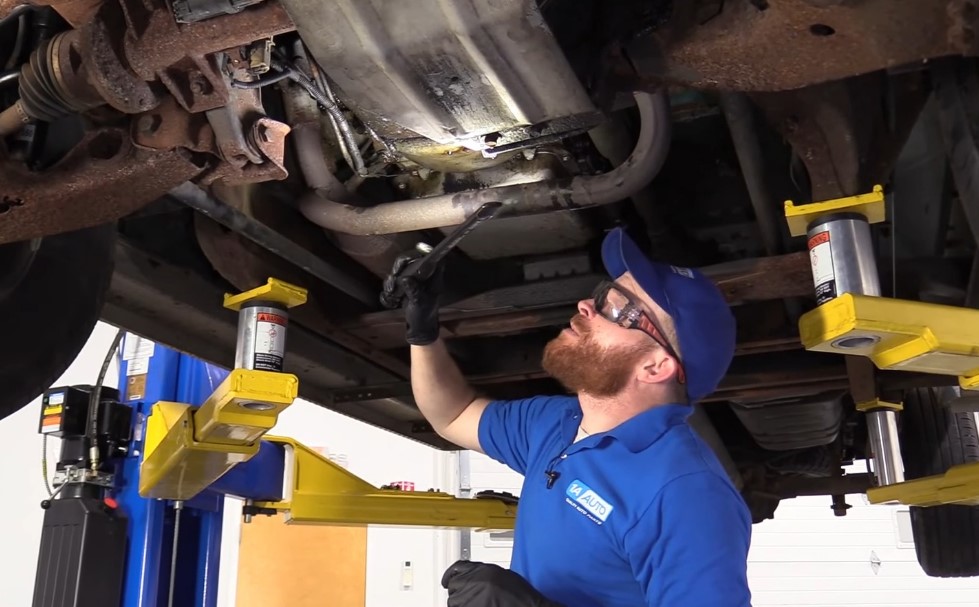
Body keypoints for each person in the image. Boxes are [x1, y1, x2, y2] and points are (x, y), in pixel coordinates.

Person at [391, 227, 753, 607]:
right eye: (603, 294)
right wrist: (423, 331)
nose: (586, 306)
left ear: (655, 366)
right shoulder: (555, 421)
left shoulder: (686, 493)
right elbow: (454, 415)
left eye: (619, 309)